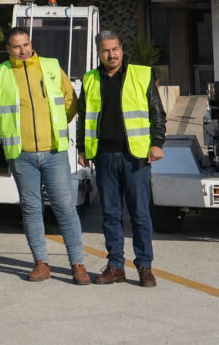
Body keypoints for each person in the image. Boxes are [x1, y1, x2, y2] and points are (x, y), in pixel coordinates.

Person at [0, 27, 88, 285]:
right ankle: (41, 263)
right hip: (21, 155)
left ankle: (78, 264)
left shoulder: (51, 66)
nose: (23, 50)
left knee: (65, 208)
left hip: (53, 151)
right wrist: (11, 130)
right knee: (31, 209)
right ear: (8, 49)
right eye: (17, 47)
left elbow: (70, 101)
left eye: (26, 44)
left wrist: (53, 126)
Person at [79, 29, 167, 287]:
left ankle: (144, 266)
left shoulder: (141, 74)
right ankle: (116, 266)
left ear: (121, 49)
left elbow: (156, 111)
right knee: (110, 215)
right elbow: (85, 116)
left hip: (136, 157)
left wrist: (157, 142)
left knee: (140, 214)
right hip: (104, 156)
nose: (112, 54)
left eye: (115, 49)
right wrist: (83, 148)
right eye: (106, 50)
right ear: (99, 53)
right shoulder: (90, 79)